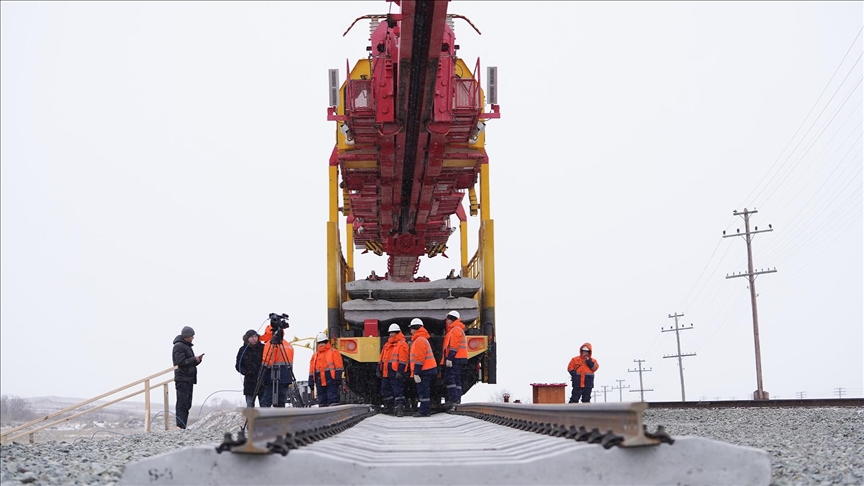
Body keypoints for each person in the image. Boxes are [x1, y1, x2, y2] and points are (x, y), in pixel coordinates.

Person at [172, 326, 203, 429]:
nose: (193, 337)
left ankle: (183, 426)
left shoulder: (186, 346)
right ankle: (180, 426)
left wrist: (197, 360)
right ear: (187, 336)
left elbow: (188, 362)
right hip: (182, 379)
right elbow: (180, 362)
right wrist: (193, 359)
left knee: (187, 404)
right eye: (192, 336)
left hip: (188, 379)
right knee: (182, 404)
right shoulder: (179, 346)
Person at [378, 323, 409, 416]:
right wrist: (378, 368)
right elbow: (382, 358)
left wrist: (400, 371)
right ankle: (390, 407)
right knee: (385, 390)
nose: (391, 334)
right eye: (390, 333)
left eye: (393, 332)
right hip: (386, 372)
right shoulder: (387, 345)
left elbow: (403, 360)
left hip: (395, 371)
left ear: (397, 333)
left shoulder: (402, 344)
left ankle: (400, 408)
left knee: (398, 391)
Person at [259, 325, 295, 408]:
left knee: (266, 401)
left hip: (272, 377)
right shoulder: (288, 345)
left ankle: (265, 416)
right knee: (281, 401)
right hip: (286, 377)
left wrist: (261, 376)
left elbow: (267, 362)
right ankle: (280, 415)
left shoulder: (270, 344)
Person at [408, 318, 437, 417]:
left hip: (424, 370)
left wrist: (416, 372)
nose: (410, 331)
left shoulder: (419, 340)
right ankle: (425, 410)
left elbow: (419, 358)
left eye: (411, 329)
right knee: (424, 390)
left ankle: (424, 411)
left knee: (423, 391)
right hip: (426, 369)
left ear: (415, 328)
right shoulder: (421, 339)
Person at [308, 333, 344, 407]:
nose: (321, 344)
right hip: (328, 380)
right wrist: (338, 377)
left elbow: (312, 370)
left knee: (326, 401)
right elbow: (339, 366)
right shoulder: (333, 352)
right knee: (329, 400)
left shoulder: (316, 355)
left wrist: (311, 381)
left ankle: (327, 410)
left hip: (326, 380)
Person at [441, 310, 468, 407]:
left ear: (452, 319)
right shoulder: (456, 329)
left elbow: (454, 346)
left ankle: (454, 399)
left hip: (455, 358)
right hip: (458, 358)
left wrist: (450, 358)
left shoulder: (455, 329)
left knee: (450, 378)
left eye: (448, 319)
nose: (447, 321)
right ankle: (457, 399)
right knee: (456, 378)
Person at [235, 330, 265, 407]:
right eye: (252, 337)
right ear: (247, 338)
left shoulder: (263, 348)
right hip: (249, 382)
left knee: (264, 405)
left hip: (263, 381)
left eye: (255, 336)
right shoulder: (243, 350)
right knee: (250, 405)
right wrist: (247, 372)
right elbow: (238, 365)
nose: (254, 338)